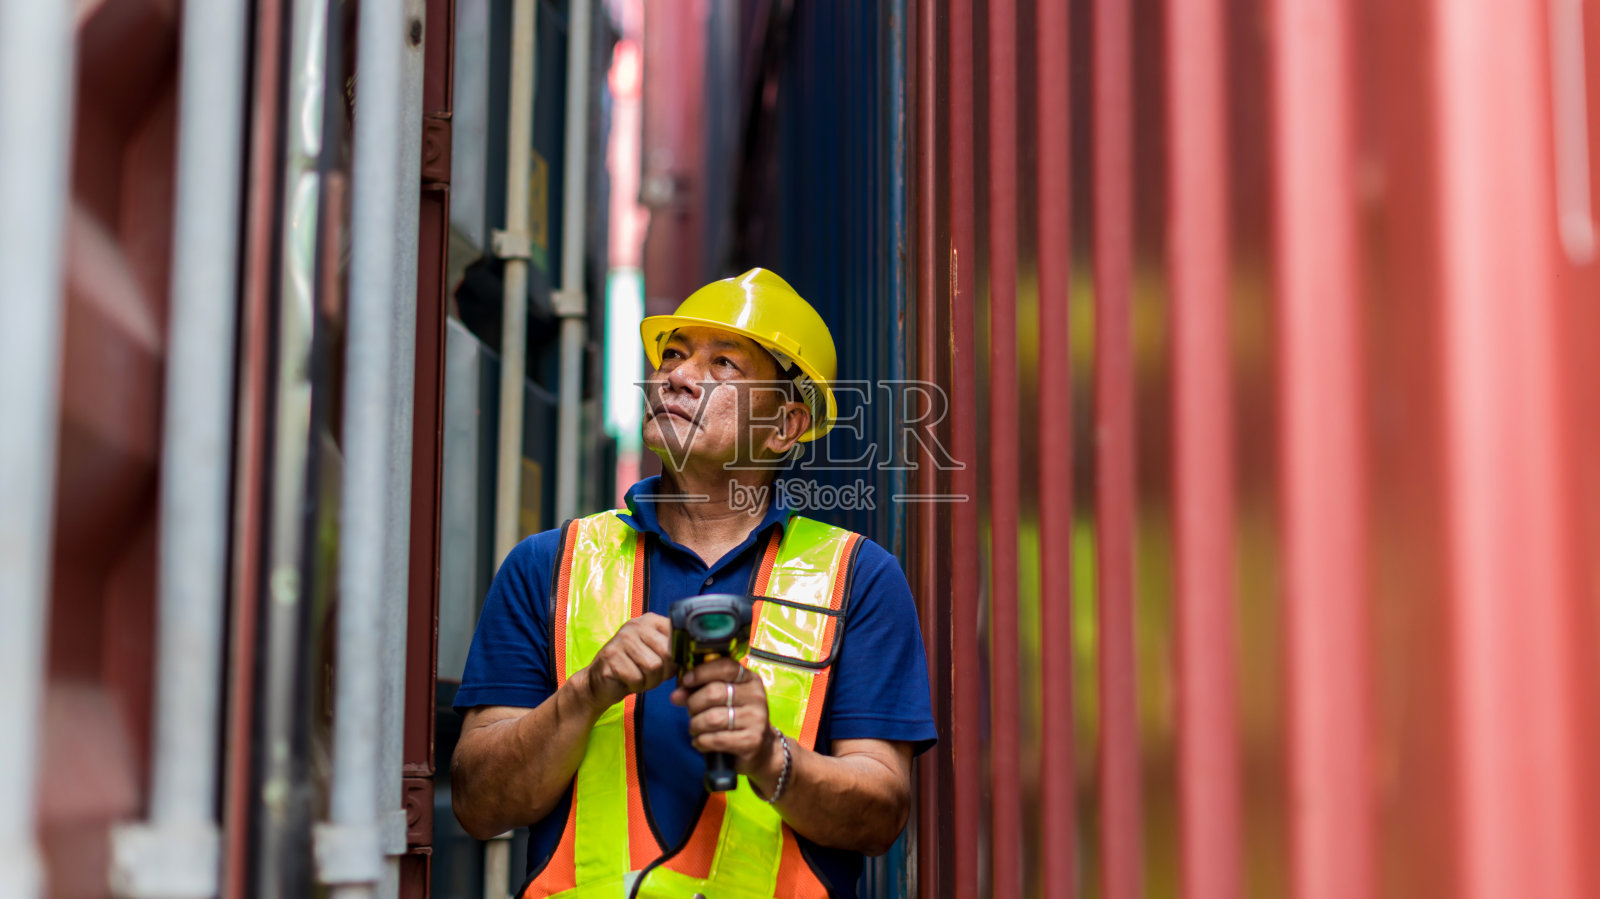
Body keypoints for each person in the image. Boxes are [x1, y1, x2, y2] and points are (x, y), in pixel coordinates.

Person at [450, 268, 936, 899]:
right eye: (673, 355)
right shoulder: (550, 564)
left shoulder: (857, 577)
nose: (675, 376)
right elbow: (478, 804)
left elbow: (881, 815)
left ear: (785, 425)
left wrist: (768, 756)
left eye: (724, 364)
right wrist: (586, 692)